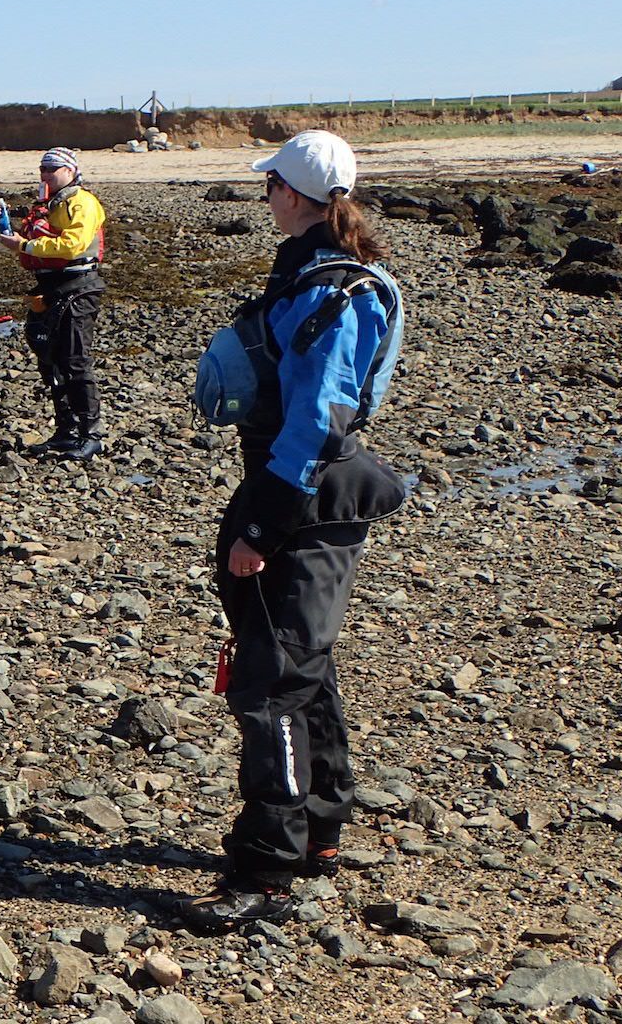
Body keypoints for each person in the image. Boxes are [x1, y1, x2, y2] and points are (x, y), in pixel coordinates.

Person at [182, 130, 408, 931]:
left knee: (272, 684)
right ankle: (319, 828)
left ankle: (266, 872)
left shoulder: (335, 292)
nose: (267, 198)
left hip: (302, 498)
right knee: (304, 666)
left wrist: (263, 528)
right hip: (301, 490)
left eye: (269, 186)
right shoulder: (319, 275)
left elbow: (318, 421)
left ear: (292, 194)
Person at [0, 147, 109, 458]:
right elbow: (36, 245)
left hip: (79, 287)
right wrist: (12, 238)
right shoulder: (47, 205)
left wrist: (26, 245)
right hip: (50, 287)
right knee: (50, 359)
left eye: (52, 169)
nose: (46, 174)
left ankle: (90, 434)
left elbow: (73, 245)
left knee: (75, 359)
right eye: (42, 169)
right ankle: (66, 431)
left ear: (70, 172)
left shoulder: (82, 202)